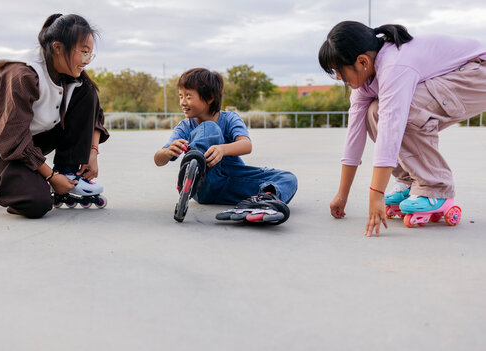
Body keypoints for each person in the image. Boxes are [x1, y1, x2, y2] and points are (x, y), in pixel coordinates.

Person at [318, 21, 486, 236]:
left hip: (477, 72)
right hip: (457, 75)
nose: (339, 78)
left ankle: (436, 187)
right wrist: (342, 195)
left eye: (338, 71)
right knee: (374, 112)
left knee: (405, 111)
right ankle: (410, 180)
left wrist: (376, 194)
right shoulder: (366, 80)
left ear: (362, 61)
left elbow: (391, 127)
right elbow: (354, 134)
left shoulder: (395, 65)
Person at [0, 14, 109, 218]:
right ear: (58, 47)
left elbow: (93, 113)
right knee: (36, 201)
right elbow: (11, 139)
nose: (87, 61)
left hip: (32, 137)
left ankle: (68, 171)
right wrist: (52, 177)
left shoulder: (68, 72)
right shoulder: (22, 74)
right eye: (84, 52)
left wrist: (92, 151)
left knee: (87, 91)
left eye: (90, 54)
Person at [154, 68, 298, 224]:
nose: (182, 102)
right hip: (205, 183)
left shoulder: (229, 118)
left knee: (288, 178)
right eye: (181, 96)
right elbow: (158, 159)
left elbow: (246, 145)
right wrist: (168, 152)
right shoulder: (185, 126)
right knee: (209, 127)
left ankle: (263, 202)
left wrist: (222, 149)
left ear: (209, 98)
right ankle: (194, 168)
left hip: (232, 181)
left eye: (188, 96)